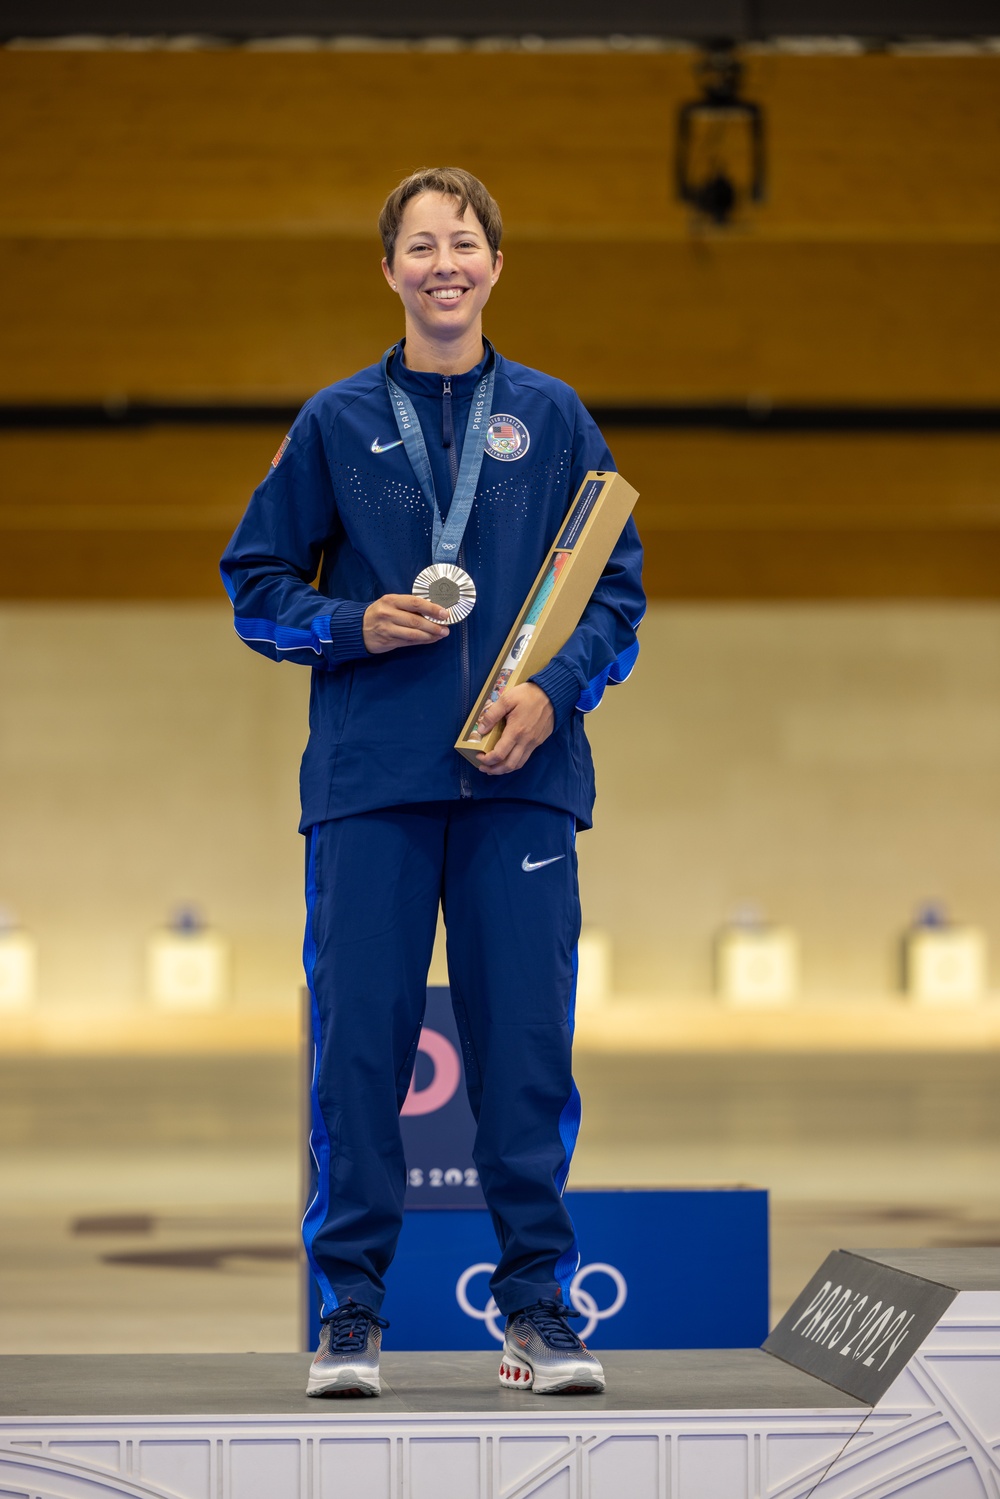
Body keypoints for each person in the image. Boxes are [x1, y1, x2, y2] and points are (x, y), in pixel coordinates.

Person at [221, 168, 645, 1397]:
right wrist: (352, 624)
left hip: (522, 776)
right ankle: (349, 1311)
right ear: (391, 269)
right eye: (420, 245)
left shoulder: (555, 418)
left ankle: (535, 1312)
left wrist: (551, 692)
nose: (443, 263)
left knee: (523, 1049)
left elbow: (615, 595)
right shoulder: (336, 421)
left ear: (496, 265)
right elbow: (257, 586)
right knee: (361, 1050)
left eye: (464, 243)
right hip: (372, 782)